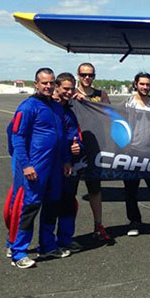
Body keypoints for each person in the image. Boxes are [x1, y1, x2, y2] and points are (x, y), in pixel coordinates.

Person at [3, 67, 71, 268]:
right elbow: (17, 137)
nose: (48, 86)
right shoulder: (28, 107)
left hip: (56, 166)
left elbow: (63, 137)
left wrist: (66, 160)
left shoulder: (57, 108)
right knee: (29, 207)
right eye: (44, 83)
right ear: (36, 84)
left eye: (51, 83)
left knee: (52, 206)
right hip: (36, 167)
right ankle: (19, 251)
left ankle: (48, 245)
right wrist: (26, 165)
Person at [71, 62, 113, 244]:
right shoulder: (69, 93)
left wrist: (86, 102)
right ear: (78, 75)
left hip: (95, 147)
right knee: (69, 191)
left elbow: (108, 115)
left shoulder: (100, 95)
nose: (87, 78)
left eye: (90, 75)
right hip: (73, 150)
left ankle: (98, 225)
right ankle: (67, 232)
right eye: (83, 74)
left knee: (95, 189)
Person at [123, 71, 150, 237]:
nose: (145, 87)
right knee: (131, 189)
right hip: (131, 152)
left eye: (147, 84)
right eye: (142, 84)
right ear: (135, 84)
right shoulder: (127, 103)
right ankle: (134, 221)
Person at [53, 72, 84, 254]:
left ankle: (65, 238)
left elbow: (75, 136)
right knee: (42, 204)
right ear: (57, 87)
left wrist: (76, 147)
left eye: (72, 88)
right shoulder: (44, 107)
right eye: (65, 88)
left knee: (67, 202)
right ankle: (18, 243)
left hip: (68, 165)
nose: (69, 91)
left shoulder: (71, 111)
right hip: (47, 164)